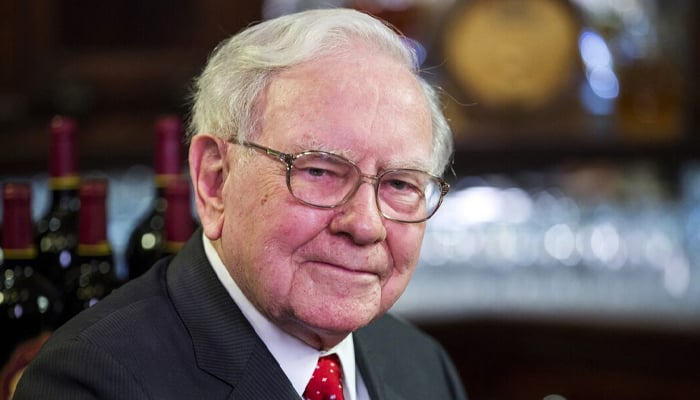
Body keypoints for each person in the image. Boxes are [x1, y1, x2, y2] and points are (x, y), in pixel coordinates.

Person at [14, 7, 467, 400]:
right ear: (215, 180)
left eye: (401, 184)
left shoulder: (422, 365)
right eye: (320, 172)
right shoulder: (92, 382)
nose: (366, 225)